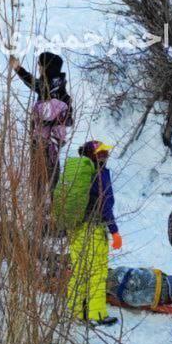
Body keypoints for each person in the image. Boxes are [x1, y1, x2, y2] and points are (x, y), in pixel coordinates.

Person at [65, 140, 121, 328]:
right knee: (97, 272)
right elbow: (105, 205)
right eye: (102, 153)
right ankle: (96, 314)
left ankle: (76, 312)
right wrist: (114, 231)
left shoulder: (78, 174)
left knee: (79, 271)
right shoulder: (100, 174)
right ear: (95, 156)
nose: (106, 156)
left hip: (75, 229)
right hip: (94, 229)